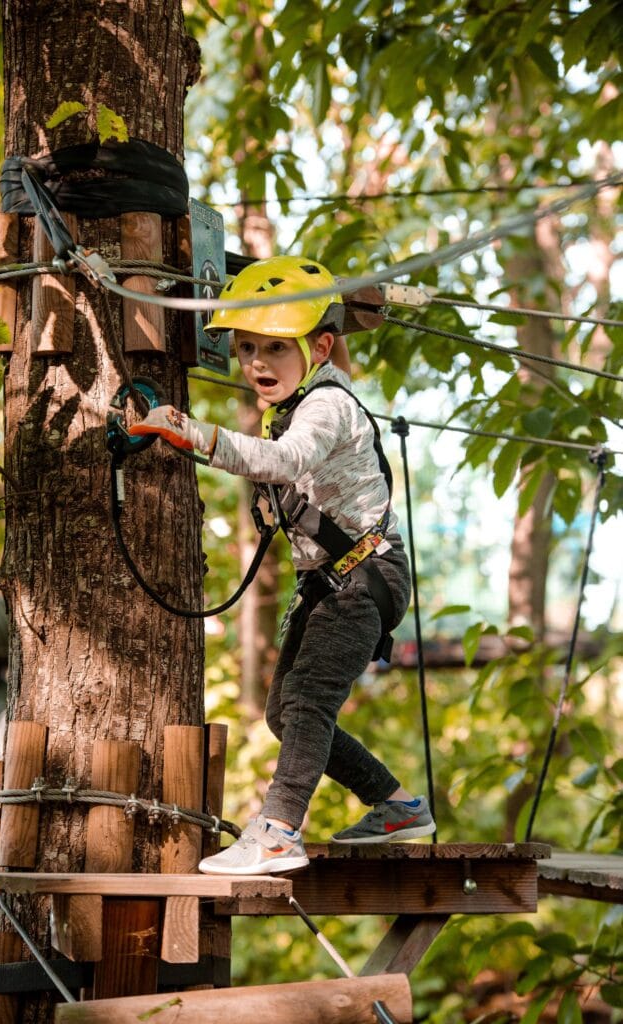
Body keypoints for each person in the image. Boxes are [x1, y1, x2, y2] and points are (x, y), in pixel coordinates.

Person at [129, 256, 435, 875]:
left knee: (309, 702)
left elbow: (284, 459)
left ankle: (276, 830)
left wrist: (195, 434)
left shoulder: (325, 405)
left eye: (274, 347)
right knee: (282, 710)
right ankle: (396, 804)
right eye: (246, 349)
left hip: (362, 576)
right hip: (332, 578)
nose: (257, 364)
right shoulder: (297, 402)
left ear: (320, 347)